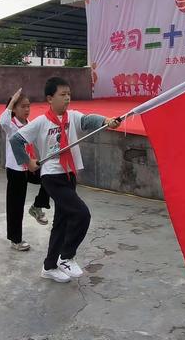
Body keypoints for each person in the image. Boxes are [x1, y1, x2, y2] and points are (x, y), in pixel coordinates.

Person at [10, 77, 121, 283]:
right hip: (52, 175)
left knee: (61, 222)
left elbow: (88, 120)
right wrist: (28, 161)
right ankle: (66, 256)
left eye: (69, 94)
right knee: (81, 214)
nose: (67, 98)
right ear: (50, 98)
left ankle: (49, 266)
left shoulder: (72, 117)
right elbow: (16, 139)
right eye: (63, 95)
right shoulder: (41, 122)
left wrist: (106, 121)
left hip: (69, 173)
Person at [0, 88, 51, 252]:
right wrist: (12, 100)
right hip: (16, 169)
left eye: (28, 106)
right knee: (15, 205)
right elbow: (2, 120)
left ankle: (37, 206)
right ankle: (16, 239)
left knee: (50, 177)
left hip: (30, 165)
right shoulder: (11, 124)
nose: (27, 110)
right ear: (14, 108)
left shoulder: (29, 124)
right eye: (23, 106)